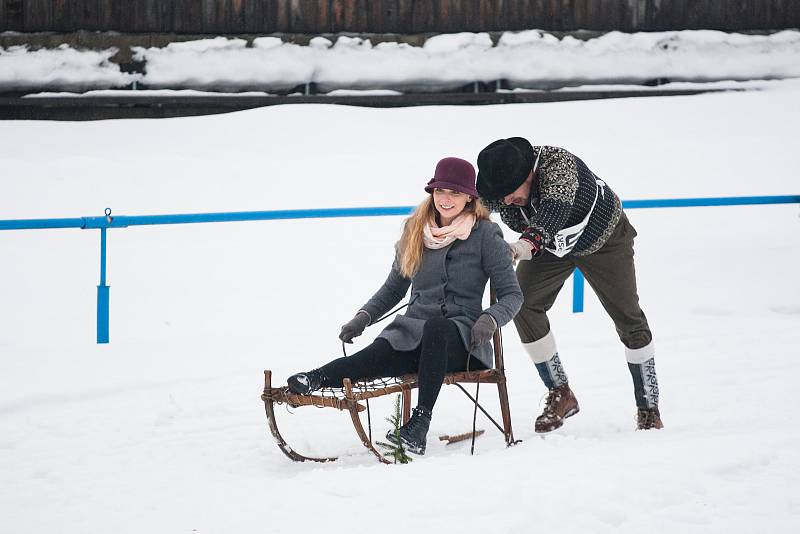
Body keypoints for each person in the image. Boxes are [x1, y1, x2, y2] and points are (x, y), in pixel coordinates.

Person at [286, 157, 523, 455]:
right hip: (413, 335)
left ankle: (418, 426)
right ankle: (315, 377)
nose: (446, 199)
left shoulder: (486, 235)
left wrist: (490, 319)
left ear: (469, 197)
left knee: (438, 329)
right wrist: (363, 317)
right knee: (374, 355)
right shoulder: (415, 230)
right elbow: (394, 288)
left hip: (464, 341)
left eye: (454, 192)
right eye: (440, 191)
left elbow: (513, 295)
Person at [475, 137, 663, 432]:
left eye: (510, 194)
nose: (506, 202)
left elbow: (553, 214)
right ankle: (561, 392)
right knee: (521, 302)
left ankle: (648, 407)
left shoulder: (558, 166)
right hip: (551, 250)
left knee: (628, 318)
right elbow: (468, 208)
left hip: (604, 241)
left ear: (528, 174)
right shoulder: (500, 190)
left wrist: (522, 247)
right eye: (500, 197)